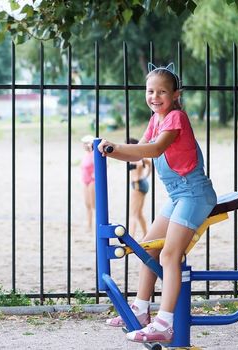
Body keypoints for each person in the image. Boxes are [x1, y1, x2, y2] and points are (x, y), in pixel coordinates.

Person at [99, 63, 217, 344]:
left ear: (175, 94)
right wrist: (106, 150)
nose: (155, 97)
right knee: (146, 250)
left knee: (169, 255)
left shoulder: (175, 118)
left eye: (162, 92)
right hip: (178, 196)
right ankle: (141, 312)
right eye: (150, 91)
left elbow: (153, 150)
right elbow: (137, 153)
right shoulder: (156, 119)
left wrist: (113, 147)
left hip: (194, 194)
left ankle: (164, 323)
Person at [127, 138, 151, 239]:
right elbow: (149, 163)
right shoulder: (140, 157)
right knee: (139, 212)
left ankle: (130, 237)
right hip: (142, 182)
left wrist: (142, 176)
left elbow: (147, 164)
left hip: (137, 184)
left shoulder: (135, 159)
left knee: (133, 213)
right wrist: (146, 175)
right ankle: (146, 234)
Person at [80, 135, 96, 232]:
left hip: (92, 181)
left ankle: (96, 224)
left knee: (93, 204)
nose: (84, 145)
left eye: (86, 143)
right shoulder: (86, 154)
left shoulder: (95, 154)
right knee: (87, 204)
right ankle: (89, 224)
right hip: (85, 180)